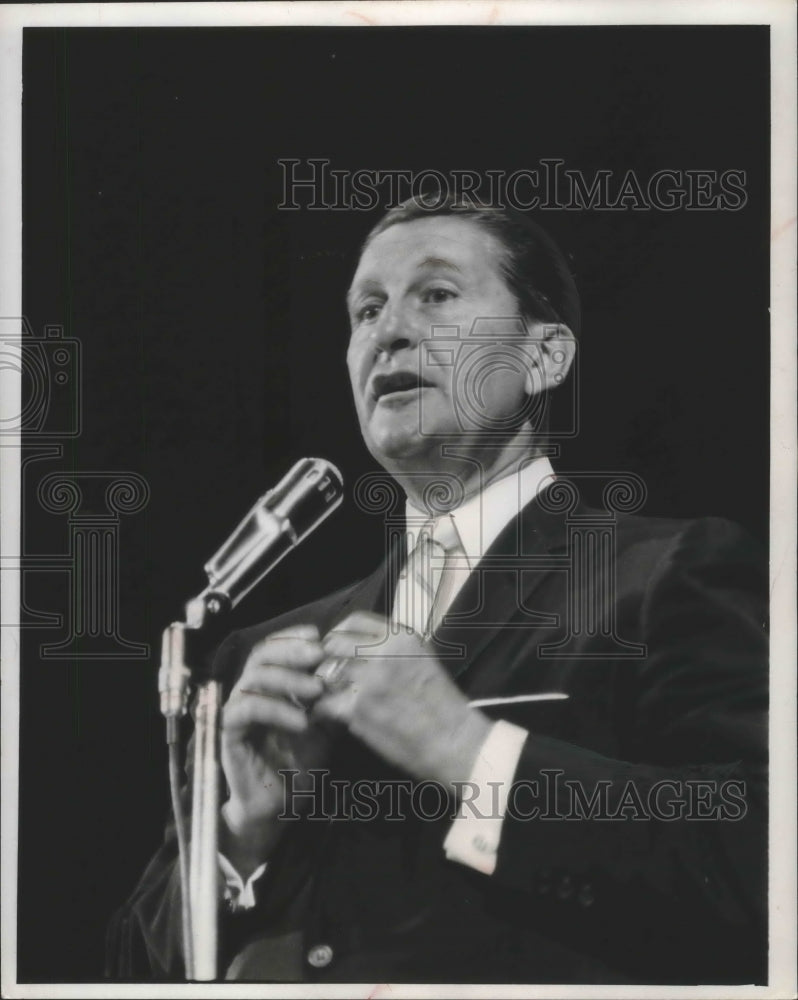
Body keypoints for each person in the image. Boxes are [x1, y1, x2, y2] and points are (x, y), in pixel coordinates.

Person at [107, 195, 767, 984]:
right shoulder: (266, 654)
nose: (389, 331)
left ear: (545, 356)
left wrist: (467, 751)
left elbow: (763, 857)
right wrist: (246, 833)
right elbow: (124, 971)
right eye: (367, 309)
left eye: (437, 295)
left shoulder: (666, 572)